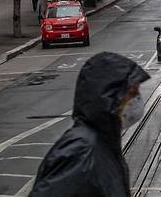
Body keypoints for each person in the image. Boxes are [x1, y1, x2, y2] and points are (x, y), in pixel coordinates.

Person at [30, 53, 150, 197]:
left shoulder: (103, 144)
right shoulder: (82, 152)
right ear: (109, 97)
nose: (137, 100)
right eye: (131, 93)